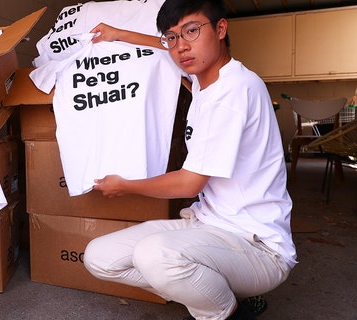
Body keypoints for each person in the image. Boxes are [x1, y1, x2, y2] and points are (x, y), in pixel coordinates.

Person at [84, 0, 296, 319]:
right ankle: (213, 293)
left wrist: (125, 185)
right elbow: (163, 46)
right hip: (206, 224)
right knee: (99, 257)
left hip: (258, 246)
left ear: (221, 29)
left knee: (155, 255)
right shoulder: (203, 78)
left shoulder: (234, 91)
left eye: (192, 31)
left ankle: (224, 311)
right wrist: (118, 34)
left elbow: (189, 183)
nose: (181, 46)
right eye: (173, 37)